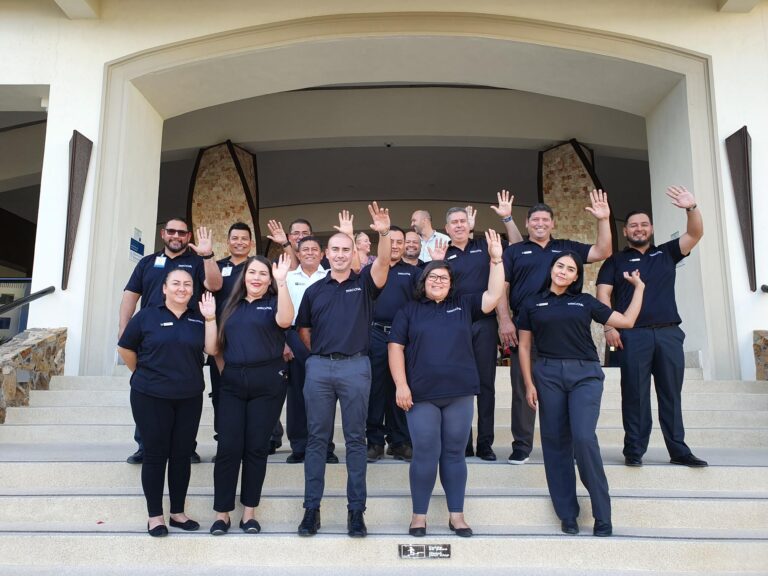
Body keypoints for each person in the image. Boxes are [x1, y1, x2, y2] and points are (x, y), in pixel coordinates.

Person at [518, 251, 645, 537]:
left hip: (585, 374)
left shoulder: (585, 301)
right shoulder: (531, 302)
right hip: (548, 374)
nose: (563, 271)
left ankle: (602, 513)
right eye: (559, 266)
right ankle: (567, 513)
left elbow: (626, 321)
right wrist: (529, 383)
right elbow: (524, 347)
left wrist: (639, 289)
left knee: (584, 438)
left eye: (570, 269)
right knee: (555, 443)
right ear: (552, 269)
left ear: (577, 276)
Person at [389, 229, 506, 538]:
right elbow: (395, 348)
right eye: (432, 277)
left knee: (454, 453)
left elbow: (494, 296)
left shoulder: (464, 305)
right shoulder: (409, 311)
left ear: (452, 284)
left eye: (444, 278)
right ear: (423, 282)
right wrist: (401, 385)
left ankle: (457, 515)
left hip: (459, 393)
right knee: (425, 452)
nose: (438, 281)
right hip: (422, 395)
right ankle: (419, 516)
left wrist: (496, 259)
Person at [295, 202, 392, 538]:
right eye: (333, 249)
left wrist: (382, 234)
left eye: (344, 249)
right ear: (325, 253)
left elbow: (382, 263)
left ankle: (356, 512)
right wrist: (322, 356)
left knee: (355, 440)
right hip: (320, 368)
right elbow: (304, 331)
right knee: (316, 441)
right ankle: (311, 510)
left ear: (353, 252)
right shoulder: (313, 291)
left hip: (356, 367)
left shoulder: (364, 283)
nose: (338, 254)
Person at [596, 185, 708, 468]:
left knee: (671, 393)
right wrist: (609, 327)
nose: (639, 228)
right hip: (633, 336)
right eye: (633, 225)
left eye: (644, 224)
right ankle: (634, 450)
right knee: (634, 394)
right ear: (625, 231)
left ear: (652, 228)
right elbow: (603, 294)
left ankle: (679, 451)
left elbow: (695, 234)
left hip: (669, 333)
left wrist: (691, 208)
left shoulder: (667, 253)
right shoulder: (615, 260)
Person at [501, 190, 612, 465]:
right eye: (534, 220)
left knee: (565, 389)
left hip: (563, 329)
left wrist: (604, 219)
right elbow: (502, 288)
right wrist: (504, 319)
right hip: (525, 325)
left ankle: (576, 445)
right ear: (526, 224)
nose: (539, 224)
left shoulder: (566, 249)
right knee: (521, 387)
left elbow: (603, 251)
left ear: (552, 224)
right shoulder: (514, 251)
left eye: (545, 220)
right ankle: (522, 446)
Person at [117, 269, 217, 537]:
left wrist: (210, 318)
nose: (182, 288)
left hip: (188, 397)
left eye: (187, 284)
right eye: (176, 283)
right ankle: (155, 516)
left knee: (181, 456)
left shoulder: (199, 317)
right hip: (150, 396)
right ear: (164, 288)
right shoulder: (147, 315)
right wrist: (140, 373)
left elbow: (212, 349)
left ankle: (177, 513)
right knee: (155, 455)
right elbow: (125, 347)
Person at [119, 217, 222, 464]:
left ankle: (187, 446)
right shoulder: (147, 263)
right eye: (172, 231)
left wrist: (208, 256)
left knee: (187, 394)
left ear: (188, 237)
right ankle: (145, 445)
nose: (176, 236)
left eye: (182, 233)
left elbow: (215, 285)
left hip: (188, 336)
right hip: (151, 337)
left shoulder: (197, 262)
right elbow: (131, 295)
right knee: (147, 393)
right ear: (164, 234)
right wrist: (124, 328)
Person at [207, 254, 294, 535]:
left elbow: (286, 320)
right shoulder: (229, 306)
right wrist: (227, 373)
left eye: (263, 274)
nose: (256, 278)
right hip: (232, 381)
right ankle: (222, 513)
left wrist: (282, 284)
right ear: (244, 277)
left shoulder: (273, 303)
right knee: (229, 447)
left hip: (267, 383)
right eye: (252, 272)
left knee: (256, 448)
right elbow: (215, 348)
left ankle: (249, 513)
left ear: (270, 279)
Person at [442, 190, 523, 461]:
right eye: (454, 222)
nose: (459, 225)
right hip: (454, 325)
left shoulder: (486, 246)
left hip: (485, 324)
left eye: (463, 221)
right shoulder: (442, 253)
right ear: (447, 228)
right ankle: (463, 444)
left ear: (470, 224)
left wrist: (507, 219)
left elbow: (518, 246)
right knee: (459, 386)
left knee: (485, 384)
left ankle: (485, 444)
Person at [366, 226, 419, 463]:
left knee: (401, 388)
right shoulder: (372, 270)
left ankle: (400, 442)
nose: (396, 245)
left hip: (404, 338)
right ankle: (375, 442)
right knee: (375, 390)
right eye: (392, 241)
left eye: (400, 241)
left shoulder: (414, 272)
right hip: (375, 333)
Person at [283, 235, 338, 465]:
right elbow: (278, 314)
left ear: (322, 254)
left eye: (314, 249)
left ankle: (325, 447)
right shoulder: (286, 277)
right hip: (294, 336)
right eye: (304, 249)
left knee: (324, 396)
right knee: (297, 394)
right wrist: (283, 342)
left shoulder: (330, 277)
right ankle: (300, 446)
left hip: (324, 337)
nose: (309, 253)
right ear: (297, 254)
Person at [207, 222, 254, 453]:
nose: (239, 242)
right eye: (235, 238)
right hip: (221, 340)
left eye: (244, 238)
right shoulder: (216, 267)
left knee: (251, 393)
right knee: (221, 394)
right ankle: (224, 443)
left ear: (251, 243)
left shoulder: (257, 267)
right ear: (228, 242)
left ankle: (249, 443)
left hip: (250, 340)